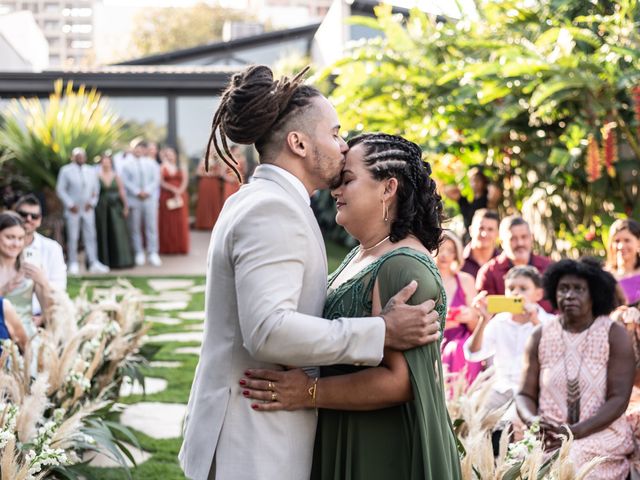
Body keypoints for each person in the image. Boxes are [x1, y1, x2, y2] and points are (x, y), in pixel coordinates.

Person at [179, 65, 441, 480]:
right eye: (334, 133)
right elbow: (268, 330)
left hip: (253, 430)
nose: (342, 146)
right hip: (253, 443)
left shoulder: (258, 200)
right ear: (298, 143)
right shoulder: (273, 209)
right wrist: (380, 332)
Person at [240, 132, 462, 479]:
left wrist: (308, 393)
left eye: (347, 180)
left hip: (382, 448)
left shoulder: (403, 266)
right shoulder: (361, 254)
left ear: (389, 188)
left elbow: (402, 383)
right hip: (346, 427)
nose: (336, 191)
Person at [517, 258, 635, 479]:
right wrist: (532, 421)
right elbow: (524, 394)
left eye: (578, 289)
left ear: (594, 294)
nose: (569, 295)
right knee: (520, 459)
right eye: (563, 289)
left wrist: (575, 432)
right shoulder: (540, 334)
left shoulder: (614, 334)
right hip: (548, 434)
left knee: (571, 459)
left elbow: (619, 399)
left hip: (601, 434)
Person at [465, 266, 554, 421]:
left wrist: (535, 321)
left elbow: (553, 355)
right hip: (501, 389)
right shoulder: (498, 321)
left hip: (535, 392)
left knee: (512, 420)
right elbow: (473, 354)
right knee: (469, 411)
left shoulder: (549, 322)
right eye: (511, 288)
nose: (516, 293)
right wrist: (483, 320)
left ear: (538, 294)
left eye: (523, 288)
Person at [476, 215, 553, 311]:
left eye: (524, 237)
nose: (520, 243)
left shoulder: (549, 267)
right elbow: (488, 311)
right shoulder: (489, 272)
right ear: (502, 242)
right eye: (513, 239)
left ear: (531, 238)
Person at [436, 230, 481, 384]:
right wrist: (444, 323)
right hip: (434, 340)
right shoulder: (425, 280)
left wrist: (468, 316)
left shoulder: (466, 280)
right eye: (440, 248)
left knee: (459, 348)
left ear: (456, 254)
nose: (444, 254)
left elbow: (477, 327)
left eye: (450, 250)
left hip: (461, 340)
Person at [55, 147, 110, 275]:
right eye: (77, 156)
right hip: (73, 210)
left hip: (87, 209)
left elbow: (96, 189)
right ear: (73, 157)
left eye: (82, 156)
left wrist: (91, 203)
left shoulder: (91, 170)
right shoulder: (66, 170)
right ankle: (73, 263)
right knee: (73, 236)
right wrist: (70, 204)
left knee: (91, 235)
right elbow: (60, 189)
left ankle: (93, 262)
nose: (80, 158)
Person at [0, 212, 50, 345]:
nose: (16, 244)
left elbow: (48, 309)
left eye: (20, 238)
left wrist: (43, 283)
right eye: (10, 237)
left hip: (26, 336)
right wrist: (5, 289)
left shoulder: (31, 264)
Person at [13, 194, 66, 318]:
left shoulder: (52, 249)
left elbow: (60, 290)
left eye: (34, 216)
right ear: (15, 216)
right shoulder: (6, 247)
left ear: (40, 220)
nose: (29, 219)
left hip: (42, 314)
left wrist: (42, 280)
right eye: (23, 214)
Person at [120, 139, 162, 267]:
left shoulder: (151, 163)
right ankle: (138, 252)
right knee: (135, 227)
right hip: (135, 199)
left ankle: (153, 253)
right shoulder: (126, 165)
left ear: (143, 150)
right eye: (135, 148)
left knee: (151, 227)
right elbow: (125, 181)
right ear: (132, 150)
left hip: (149, 199)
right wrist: (137, 191)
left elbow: (156, 179)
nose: (138, 150)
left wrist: (147, 191)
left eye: (140, 148)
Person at [95, 152, 134, 269]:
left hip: (115, 207)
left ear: (111, 163)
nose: (106, 163)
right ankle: (105, 261)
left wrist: (126, 206)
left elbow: (122, 191)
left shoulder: (116, 175)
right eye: (104, 161)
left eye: (108, 161)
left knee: (118, 232)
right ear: (101, 163)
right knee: (104, 232)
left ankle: (121, 260)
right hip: (102, 208)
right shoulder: (96, 176)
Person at [444, 165, 501, 234]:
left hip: (484, 234)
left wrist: (487, 184)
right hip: (468, 235)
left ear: (483, 181)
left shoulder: (487, 199)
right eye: (472, 180)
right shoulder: (465, 202)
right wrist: (459, 186)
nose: (475, 183)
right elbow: (447, 191)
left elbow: (494, 192)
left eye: (478, 180)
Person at [158, 146, 190, 254]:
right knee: (168, 221)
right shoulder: (163, 167)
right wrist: (172, 189)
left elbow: (185, 181)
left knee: (180, 221)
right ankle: (168, 247)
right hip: (167, 195)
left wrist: (179, 191)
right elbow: (161, 182)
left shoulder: (181, 166)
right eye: (168, 154)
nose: (170, 156)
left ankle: (180, 246)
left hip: (180, 196)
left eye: (171, 154)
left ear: (175, 155)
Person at [606, 218, 640, 306]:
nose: (621, 246)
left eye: (627, 240)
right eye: (617, 241)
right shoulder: (605, 277)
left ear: (638, 243)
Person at [461, 209, 501, 279]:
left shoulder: (503, 263)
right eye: (481, 228)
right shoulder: (457, 260)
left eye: (490, 229)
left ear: (497, 233)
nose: (484, 234)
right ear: (471, 230)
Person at [194, 156, 224, 230]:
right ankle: (203, 223)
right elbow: (197, 172)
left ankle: (214, 223)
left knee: (214, 202)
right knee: (204, 202)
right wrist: (206, 174)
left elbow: (221, 173)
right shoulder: (202, 161)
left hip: (214, 183)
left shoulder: (217, 162)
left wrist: (213, 173)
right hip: (205, 182)